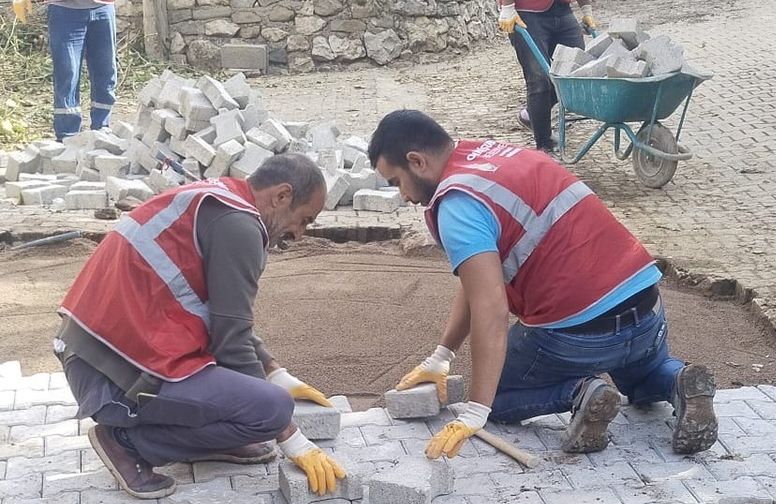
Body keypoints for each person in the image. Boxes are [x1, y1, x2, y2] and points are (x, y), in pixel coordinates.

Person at [368, 110, 718, 460]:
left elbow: (490, 307)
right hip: (646, 308)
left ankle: (581, 392)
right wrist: (442, 356)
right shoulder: (496, 156)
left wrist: (477, 409)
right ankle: (678, 382)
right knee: (642, 378)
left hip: (580, 334)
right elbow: (480, 281)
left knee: (496, 393)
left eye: (396, 182)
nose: (403, 196)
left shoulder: (456, 205)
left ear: (417, 161)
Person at [53, 154, 345, 499]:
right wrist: (289, 434)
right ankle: (127, 443)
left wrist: (275, 371)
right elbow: (231, 342)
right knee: (271, 408)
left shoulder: (221, 199)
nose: (300, 234)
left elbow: (224, 317)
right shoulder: (241, 227)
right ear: (281, 196)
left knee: (257, 401)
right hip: (113, 380)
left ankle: (205, 440)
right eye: (305, 219)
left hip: (98, 358)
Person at [499, 0, 597, 152]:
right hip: (528, 13)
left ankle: (531, 114)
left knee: (576, 71)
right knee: (539, 80)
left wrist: (586, 9)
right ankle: (544, 145)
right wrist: (507, 7)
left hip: (562, 10)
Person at [12, 0, 117, 140]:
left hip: (103, 7)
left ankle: (102, 127)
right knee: (68, 73)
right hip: (64, 10)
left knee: (106, 70)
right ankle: (68, 136)